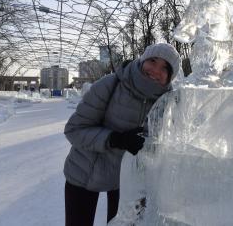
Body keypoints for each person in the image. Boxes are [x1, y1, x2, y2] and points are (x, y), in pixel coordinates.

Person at [63, 43, 181, 226]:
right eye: (152, 61)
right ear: (143, 60)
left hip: (127, 182)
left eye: (165, 68)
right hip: (84, 173)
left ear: (170, 77)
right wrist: (115, 139)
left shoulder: (168, 103)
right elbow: (74, 130)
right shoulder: (110, 84)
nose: (156, 70)